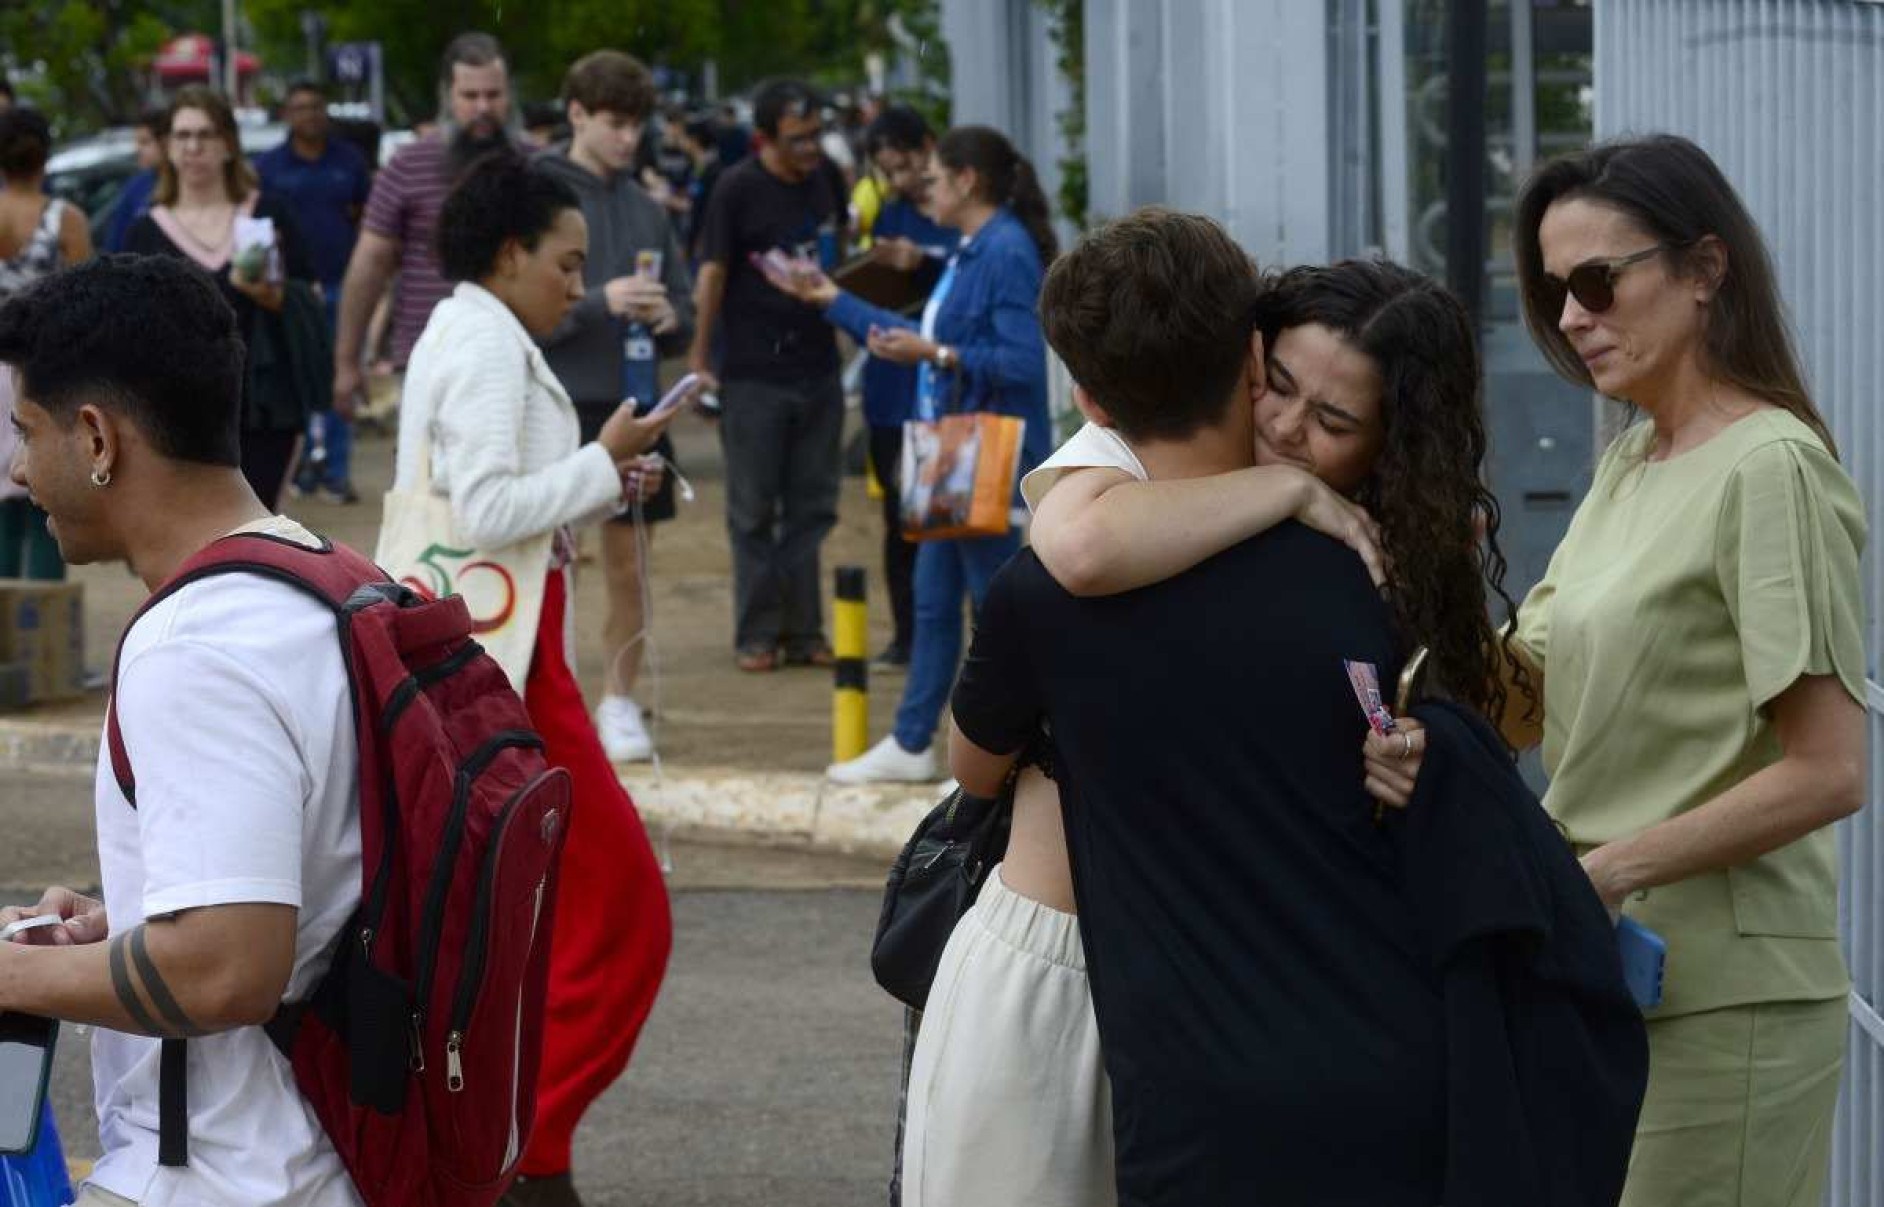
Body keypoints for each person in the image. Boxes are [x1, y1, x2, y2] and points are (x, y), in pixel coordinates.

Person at [912, 213, 1529, 1202]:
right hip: (1080, 968)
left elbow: (1467, 738)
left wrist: (1423, 748)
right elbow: (1070, 553)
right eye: (1277, 387)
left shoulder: (1385, 567)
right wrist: (1286, 498)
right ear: (1244, 354)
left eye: (1332, 423)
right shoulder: (1106, 494)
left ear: (1393, 444)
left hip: (1254, 1003)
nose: (1285, 429)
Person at [1466, 133, 1863, 1207]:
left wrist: (1603, 870)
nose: (1573, 317)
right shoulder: (1633, 463)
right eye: (1554, 295)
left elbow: (1832, 768)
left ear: (1704, 269)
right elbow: (1520, 705)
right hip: (1614, 974)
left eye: (1597, 281)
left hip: (1721, 998)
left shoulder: (1769, 467)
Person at [0, 254, 365, 1207]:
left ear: (95, 437)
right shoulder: (323, 578)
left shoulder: (194, 645)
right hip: (337, 1156)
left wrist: (11, 975)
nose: (15, 468)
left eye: (24, 431)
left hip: (230, 1177)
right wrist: (116, 931)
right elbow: (315, 892)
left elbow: (225, 971)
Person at [391, 152, 676, 1207]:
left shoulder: (475, 331)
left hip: (512, 651)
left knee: (541, 925)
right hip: (511, 669)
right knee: (623, 918)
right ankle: (527, 1147)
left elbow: (506, 509)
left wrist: (603, 478)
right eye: (564, 262)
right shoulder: (483, 343)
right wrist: (603, 461)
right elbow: (484, 508)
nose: (575, 282)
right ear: (510, 255)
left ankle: (523, 1148)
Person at [769, 126, 1054, 782]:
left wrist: (939, 355)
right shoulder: (974, 247)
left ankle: (1005, 751)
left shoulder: (1003, 251)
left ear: (966, 181)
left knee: (995, 611)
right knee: (933, 602)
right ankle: (912, 738)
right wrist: (831, 299)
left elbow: (1020, 361)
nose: (924, 192)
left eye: (933, 180)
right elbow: (918, 335)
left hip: (984, 455)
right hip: (950, 453)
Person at [539, 49, 696, 763]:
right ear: (576, 114)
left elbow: (687, 310)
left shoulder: (645, 207)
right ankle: (553, 693)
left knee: (629, 558)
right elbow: (516, 304)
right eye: (613, 123)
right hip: (561, 395)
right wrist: (598, 300)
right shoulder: (540, 191)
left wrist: (670, 319)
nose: (627, 139)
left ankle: (619, 699)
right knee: (552, 557)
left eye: (635, 125)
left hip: (634, 397)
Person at [686, 78, 848, 672]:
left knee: (811, 506)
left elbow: (841, 259)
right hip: (753, 374)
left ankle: (805, 631)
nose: (810, 148)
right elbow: (712, 274)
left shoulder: (827, 178)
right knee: (753, 511)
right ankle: (757, 633)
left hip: (818, 369)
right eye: (797, 139)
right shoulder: (737, 189)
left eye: (816, 136)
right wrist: (701, 357)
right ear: (766, 137)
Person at [126, 86, 317, 512]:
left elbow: (311, 297)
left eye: (205, 135)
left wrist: (274, 294)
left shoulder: (270, 212)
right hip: (177, 411)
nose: (193, 148)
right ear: (168, 148)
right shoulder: (146, 231)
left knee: (258, 523)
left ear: (228, 144)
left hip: (263, 404)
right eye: (182, 136)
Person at [331, 32, 515, 420]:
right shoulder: (406, 166)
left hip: (521, 357)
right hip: (429, 362)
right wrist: (348, 362)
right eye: (470, 96)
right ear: (448, 95)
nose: (483, 107)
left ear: (508, 94)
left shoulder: (535, 165)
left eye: (493, 94)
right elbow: (370, 264)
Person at [850, 105, 956, 668]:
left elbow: (964, 270)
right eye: (887, 170)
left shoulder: (954, 215)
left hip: (939, 391)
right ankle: (907, 635)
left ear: (930, 149)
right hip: (889, 390)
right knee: (899, 518)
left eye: (906, 164)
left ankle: (948, 637)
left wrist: (922, 261)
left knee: (949, 520)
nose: (900, 180)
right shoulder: (888, 217)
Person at [255, 79, 373, 504]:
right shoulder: (269, 166)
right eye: (300, 107)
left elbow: (365, 219)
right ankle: (302, 467)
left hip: (344, 285)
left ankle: (337, 471)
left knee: (341, 380)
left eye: (316, 106)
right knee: (300, 380)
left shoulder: (349, 160)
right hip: (292, 292)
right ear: (287, 114)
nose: (309, 114)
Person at [0, 106, 92, 581]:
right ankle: (44, 639)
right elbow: (87, 300)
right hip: (43, 374)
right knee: (46, 504)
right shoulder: (65, 219)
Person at [103, 109, 166, 254]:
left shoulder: (190, 185)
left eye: (145, 142)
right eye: (137, 142)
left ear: (166, 142)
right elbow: (115, 246)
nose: (137, 149)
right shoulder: (136, 188)